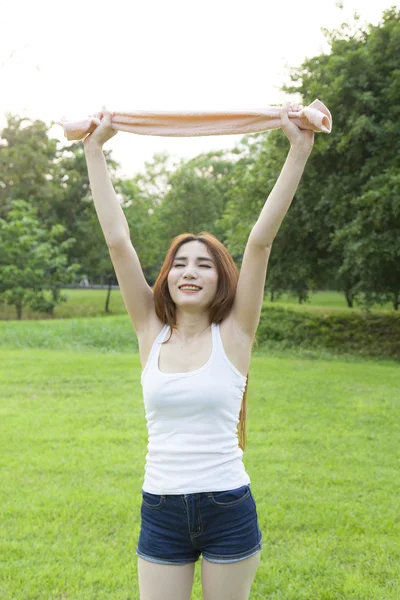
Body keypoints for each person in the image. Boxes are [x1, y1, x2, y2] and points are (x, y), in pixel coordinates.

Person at [83, 104, 314, 600]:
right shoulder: (150, 330)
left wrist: (298, 149)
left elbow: (259, 243)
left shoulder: (235, 335)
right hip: (161, 510)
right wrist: (94, 150)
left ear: (220, 279)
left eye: (204, 265)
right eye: (180, 263)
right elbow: (118, 242)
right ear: (167, 277)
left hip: (227, 508)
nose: (189, 271)